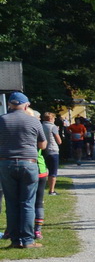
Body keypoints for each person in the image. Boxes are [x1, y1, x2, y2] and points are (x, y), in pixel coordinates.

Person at [1, 92, 45, 248]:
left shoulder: (2, 120)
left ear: (10, 105)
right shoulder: (33, 121)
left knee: (11, 203)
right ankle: (27, 240)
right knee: (27, 202)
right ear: (26, 105)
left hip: (6, 163)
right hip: (29, 163)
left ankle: (14, 240)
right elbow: (42, 145)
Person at [41, 111, 61, 195]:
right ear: (51, 119)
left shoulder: (41, 126)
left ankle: (42, 188)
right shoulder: (53, 127)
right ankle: (51, 190)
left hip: (43, 150)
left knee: (44, 170)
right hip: (53, 149)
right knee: (53, 172)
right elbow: (59, 141)